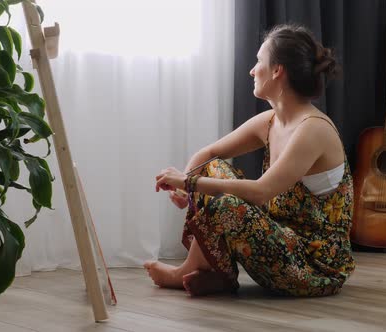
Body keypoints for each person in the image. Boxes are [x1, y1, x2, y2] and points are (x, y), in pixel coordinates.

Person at [144, 24, 355, 297]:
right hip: (280, 243)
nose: (252, 70)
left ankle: (188, 269)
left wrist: (189, 182)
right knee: (213, 169)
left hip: (313, 267)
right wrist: (187, 187)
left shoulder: (313, 129)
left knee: (224, 202)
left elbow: (261, 192)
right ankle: (221, 275)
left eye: (259, 62)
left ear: (278, 70)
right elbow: (208, 155)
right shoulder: (271, 121)